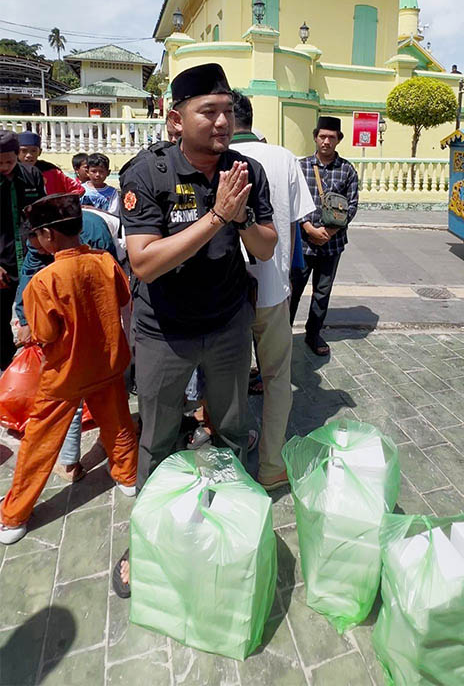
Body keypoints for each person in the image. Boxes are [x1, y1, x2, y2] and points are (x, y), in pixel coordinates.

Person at [113, 62, 276, 597]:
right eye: (209, 111)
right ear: (175, 119)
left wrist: (242, 216)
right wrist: (216, 218)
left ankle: (232, 528)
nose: (223, 121)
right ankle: (150, 540)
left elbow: (268, 247)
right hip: (164, 331)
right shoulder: (146, 174)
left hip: (228, 326)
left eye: (228, 110)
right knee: (159, 440)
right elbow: (143, 264)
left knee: (230, 430)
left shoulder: (246, 170)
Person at [0, 194, 138, 544]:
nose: (34, 242)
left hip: (65, 375)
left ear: (48, 235)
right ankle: (128, 477)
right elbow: (124, 302)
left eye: (35, 235)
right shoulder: (105, 261)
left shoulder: (44, 281)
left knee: (39, 443)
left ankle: (14, 516)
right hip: (108, 363)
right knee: (118, 423)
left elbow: (45, 334)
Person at [230, 91, 315, 491]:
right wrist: (288, 272)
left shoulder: (202, 156)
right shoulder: (283, 158)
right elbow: (295, 225)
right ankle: (270, 466)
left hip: (223, 296)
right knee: (277, 377)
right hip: (271, 287)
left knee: (224, 381)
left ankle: (228, 463)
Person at [289, 116, 359, 356]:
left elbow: (352, 205)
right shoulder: (301, 166)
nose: (326, 141)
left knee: (322, 292)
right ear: (315, 137)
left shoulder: (347, 170)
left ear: (338, 139)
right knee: (293, 290)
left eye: (331, 137)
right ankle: (282, 334)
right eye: (322, 136)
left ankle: (313, 334)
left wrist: (330, 231)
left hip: (332, 243)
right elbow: (293, 201)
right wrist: (308, 228)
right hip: (303, 243)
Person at [0, 131, 45, 372]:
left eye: (10, 161)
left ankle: (33, 370)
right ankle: (6, 371)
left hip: (31, 258)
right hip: (2, 263)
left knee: (35, 315)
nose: (5, 167)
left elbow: (41, 213)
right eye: (0, 163)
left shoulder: (32, 175)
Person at [18, 132, 84, 195]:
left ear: (40, 152)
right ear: (17, 152)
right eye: (24, 151)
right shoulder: (12, 172)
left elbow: (78, 190)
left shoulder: (51, 171)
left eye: (33, 151)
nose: (29, 155)